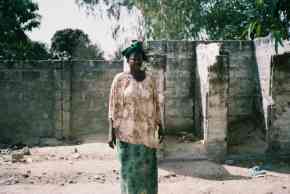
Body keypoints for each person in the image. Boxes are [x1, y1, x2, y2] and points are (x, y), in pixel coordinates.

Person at [108, 40, 164, 194]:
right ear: (128, 60)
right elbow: (113, 107)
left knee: (147, 172)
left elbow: (156, 103)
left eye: (139, 58)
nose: (137, 61)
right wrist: (110, 132)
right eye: (134, 58)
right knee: (129, 173)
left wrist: (161, 125)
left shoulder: (150, 79)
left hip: (147, 133)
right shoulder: (120, 80)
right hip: (126, 134)